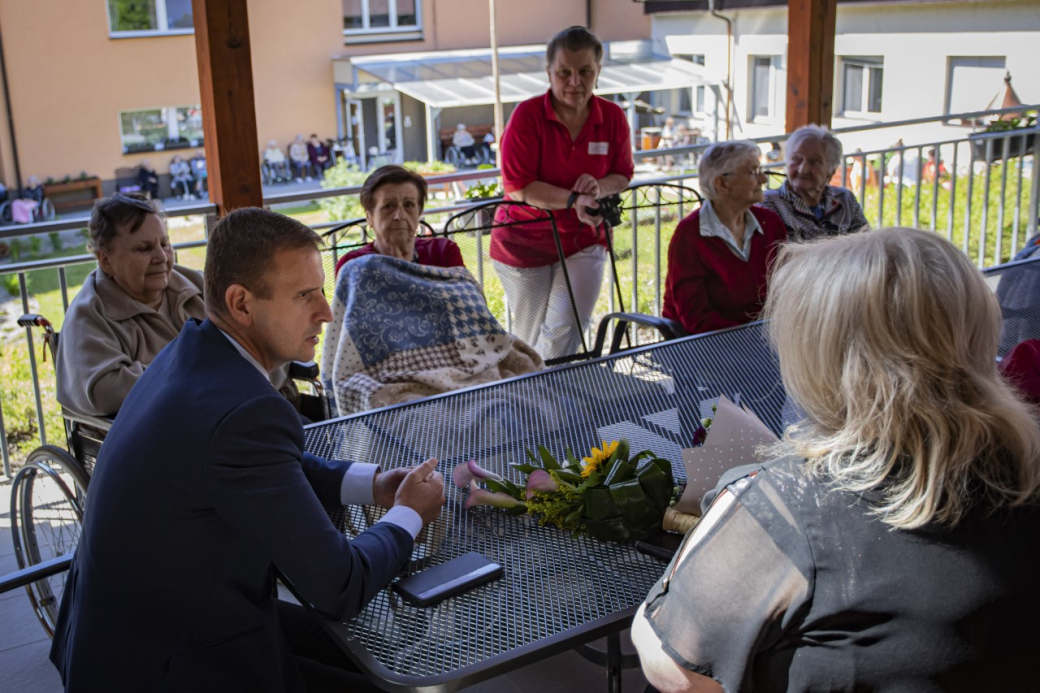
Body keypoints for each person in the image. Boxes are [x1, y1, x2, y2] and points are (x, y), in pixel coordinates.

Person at [50, 206, 447, 691]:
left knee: (370, 655)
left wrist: (370, 482)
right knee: (384, 669)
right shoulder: (242, 409)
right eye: (305, 295)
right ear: (241, 304)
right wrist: (408, 514)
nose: (325, 310)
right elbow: (339, 586)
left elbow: (265, 460)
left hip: (143, 627)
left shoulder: (195, 350)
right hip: (166, 661)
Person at [634, 228, 1040, 692]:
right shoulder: (1023, 464)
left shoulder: (790, 502)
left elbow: (672, 666)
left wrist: (730, 511)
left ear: (825, 358)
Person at [493, 25, 634, 361]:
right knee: (527, 338)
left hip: (583, 237)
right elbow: (518, 186)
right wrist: (573, 200)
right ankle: (529, 401)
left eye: (585, 71)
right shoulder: (527, 116)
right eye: (564, 72)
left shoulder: (613, 117)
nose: (575, 82)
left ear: (598, 71)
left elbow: (623, 173)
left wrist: (599, 188)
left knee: (563, 331)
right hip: (522, 241)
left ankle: (547, 403)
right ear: (549, 73)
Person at [55, 193, 206, 417]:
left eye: (164, 244)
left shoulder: (198, 285)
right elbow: (104, 390)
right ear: (106, 260)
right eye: (144, 249)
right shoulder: (89, 315)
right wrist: (201, 372)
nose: (162, 257)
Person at [661, 141, 787, 336]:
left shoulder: (769, 223)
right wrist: (751, 337)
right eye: (752, 172)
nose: (763, 178)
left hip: (763, 337)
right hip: (705, 344)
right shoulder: (690, 236)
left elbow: (785, 290)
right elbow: (696, 319)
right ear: (722, 183)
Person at [334, 165, 464, 276]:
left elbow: (467, 301)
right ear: (369, 217)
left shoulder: (443, 252)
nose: (400, 216)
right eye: (389, 206)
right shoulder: (352, 265)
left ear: (419, 213)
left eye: (408, 205)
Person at [760, 124, 869, 242]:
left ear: (831, 171)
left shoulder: (844, 199)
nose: (803, 169)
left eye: (814, 162)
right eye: (796, 159)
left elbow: (867, 245)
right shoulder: (768, 203)